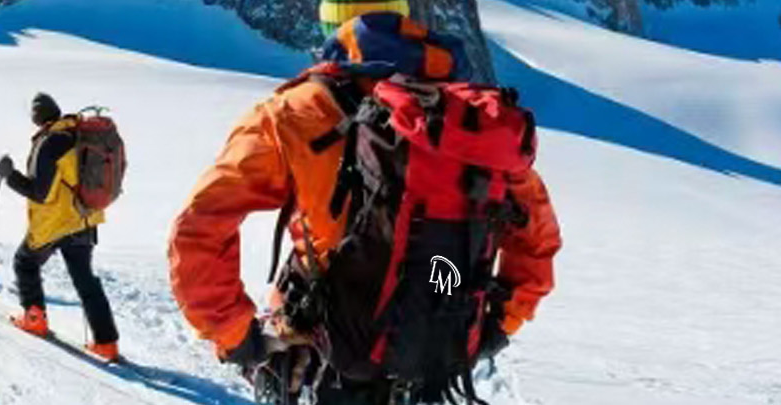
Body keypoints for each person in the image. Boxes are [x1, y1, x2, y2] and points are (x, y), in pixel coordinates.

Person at [167, 4, 561, 404]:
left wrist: (236, 337)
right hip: (435, 351)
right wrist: (498, 325)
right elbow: (537, 240)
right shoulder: (468, 122)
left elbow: (200, 227)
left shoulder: (296, 111)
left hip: (327, 355)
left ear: (331, 25)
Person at [0, 93, 121, 362]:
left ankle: (35, 320)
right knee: (85, 279)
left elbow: (40, 193)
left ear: (37, 117)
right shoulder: (78, 134)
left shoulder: (50, 142)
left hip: (57, 223)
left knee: (25, 263)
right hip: (85, 219)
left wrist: (9, 175)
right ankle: (107, 343)